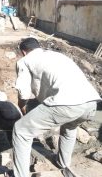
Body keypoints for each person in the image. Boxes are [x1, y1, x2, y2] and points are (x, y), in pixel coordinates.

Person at [12, 37, 101, 177]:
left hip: (67, 104)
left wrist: (22, 108)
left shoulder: (25, 61)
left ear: (23, 52)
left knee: (20, 130)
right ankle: (63, 164)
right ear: (38, 47)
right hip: (91, 103)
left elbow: (23, 93)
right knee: (69, 127)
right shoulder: (57, 55)